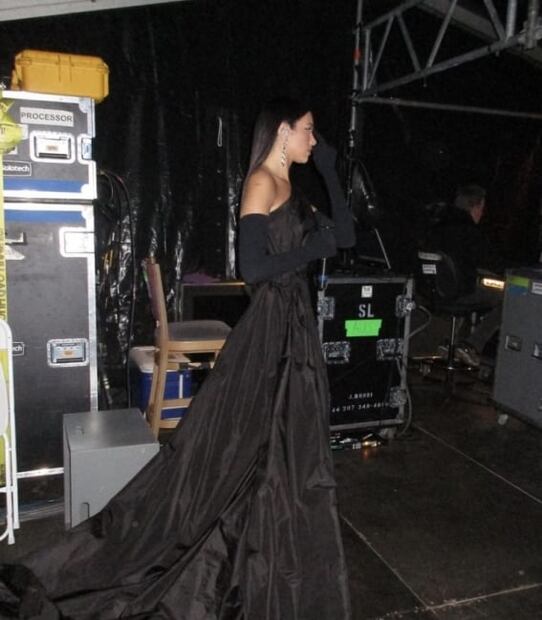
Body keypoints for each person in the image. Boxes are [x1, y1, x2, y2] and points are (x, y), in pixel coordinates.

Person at [0, 98, 354, 619]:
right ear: (283, 131)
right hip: (271, 327)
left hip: (295, 326)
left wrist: (328, 171)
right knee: (249, 446)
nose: (313, 139)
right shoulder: (260, 182)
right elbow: (254, 268)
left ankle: (278, 547)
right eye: (308, 131)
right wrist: (310, 250)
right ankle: (245, 553)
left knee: (287, 446)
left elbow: (345, 235)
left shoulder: (294, 186)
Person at [429, 183, 505, 366]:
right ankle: (472, 344)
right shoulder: (469, 231)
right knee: (509, 297)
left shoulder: (437, 226)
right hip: (458, 293)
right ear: (476, 207)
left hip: (432, 292)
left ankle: (450, 343)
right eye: (482, 209)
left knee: (462, 282)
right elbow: (493, 263)